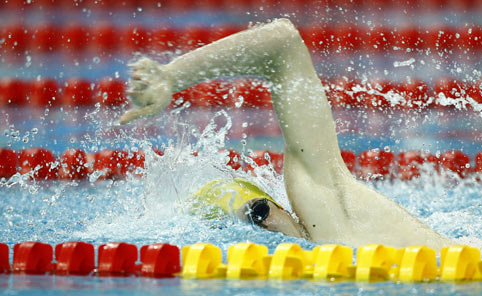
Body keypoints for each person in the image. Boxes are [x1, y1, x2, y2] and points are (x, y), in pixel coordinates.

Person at [120, 18, 452, 250]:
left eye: (262, 214)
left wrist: (172, 78)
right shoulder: (344, 218)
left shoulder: (339, 221)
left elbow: (282, 43)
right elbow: (282, 42)